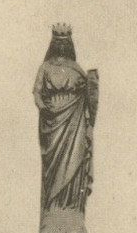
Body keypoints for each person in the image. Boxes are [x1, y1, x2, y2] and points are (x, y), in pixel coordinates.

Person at [33, 25, 99, 219]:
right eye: (58, 43)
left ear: (69, 45)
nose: (61, 47)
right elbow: (37, 91)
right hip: (53, 120)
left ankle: (71, 206)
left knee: (75, 160)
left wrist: (91, 84)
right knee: (54, 169)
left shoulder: (76, 69)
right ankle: (54, 207)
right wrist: (43, 106)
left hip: (75, 120)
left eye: (65, 43)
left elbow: (90, 95)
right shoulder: (45, 68)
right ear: (53, 45)